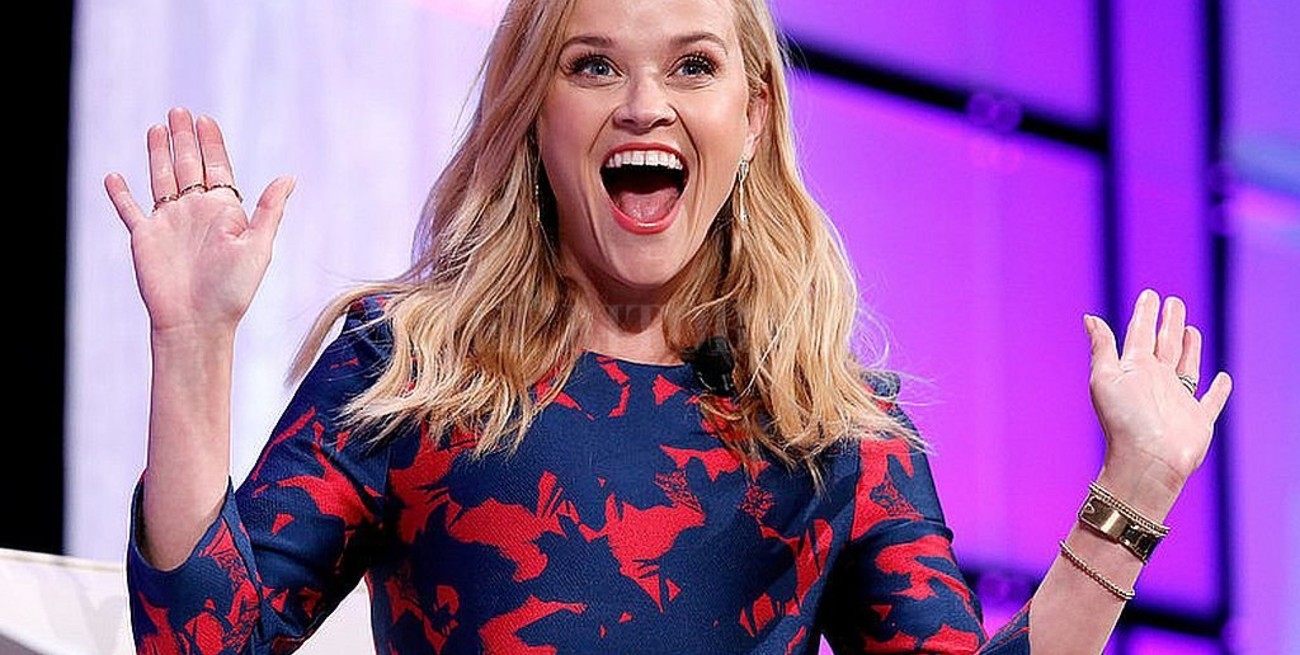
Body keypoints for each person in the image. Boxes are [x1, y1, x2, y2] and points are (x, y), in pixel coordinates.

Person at [103, 0, 1232, 653]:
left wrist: (1131, 493)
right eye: (594, 65)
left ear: (754, 114)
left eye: (693, 65)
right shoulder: (409, 367)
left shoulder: (837, 430)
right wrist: (192, 343)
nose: (644, 104)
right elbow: (202, 643)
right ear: (534, 114)